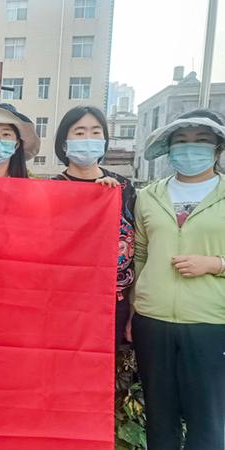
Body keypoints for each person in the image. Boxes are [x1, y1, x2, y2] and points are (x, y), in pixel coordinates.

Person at [129, 109, 225, 450]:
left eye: (201, 140)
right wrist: (133, 310)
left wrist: (215, 263)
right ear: (168, 149)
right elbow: (140, 253)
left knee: (208, 420)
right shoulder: (148, 196)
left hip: (211, 321)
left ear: (217, 149)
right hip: (152, 320)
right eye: (181, 141)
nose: (190, 148)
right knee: (160, 416)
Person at [53, 106, 137, 349]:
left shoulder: (123, 187)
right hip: (62, 300)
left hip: (112, 301)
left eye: (95, 132)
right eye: (79, 133)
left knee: (102, 365)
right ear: (64, 143)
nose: (88, 138)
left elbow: (138, 247)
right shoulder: (52, 189)